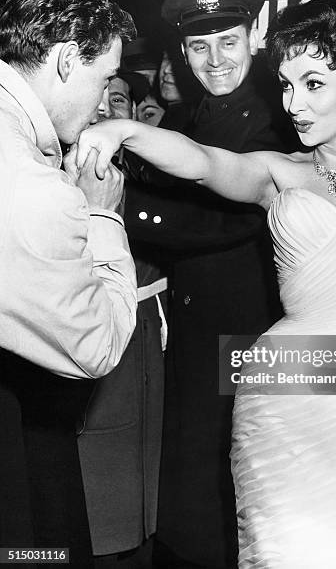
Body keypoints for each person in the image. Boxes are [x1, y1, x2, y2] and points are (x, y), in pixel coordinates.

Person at [75, 0, 336, 567]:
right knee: (276, 552)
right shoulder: (282, 171)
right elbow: (204, 162)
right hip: (281, 386)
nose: (294, 104)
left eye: (313, 84)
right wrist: (122, 133)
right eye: (286, 85)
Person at [151, 0, 294, 569]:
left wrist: (115, 210)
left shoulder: (275, 122)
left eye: (227, 42)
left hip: (248, 336)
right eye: (199, 46)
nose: (214, 60)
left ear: (255, 38)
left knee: (237, 493)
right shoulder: (189, 121)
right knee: (196, 491)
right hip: (197, 336)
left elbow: (219, 221)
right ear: (182, 53)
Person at [0, 0, 137, 566]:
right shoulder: (37, 189)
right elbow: (95, 348)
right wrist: (103, 217)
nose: (105, 99)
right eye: (103, 78)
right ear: (61, 61)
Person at [76, 72, 165, 568]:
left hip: (148, 336)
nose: (107, 110)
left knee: (143, 476)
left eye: (119, 101)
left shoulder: (153, 177)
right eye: (99, 98)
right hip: (94, 330)